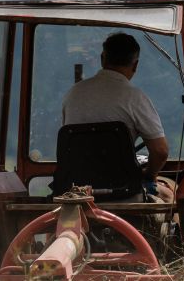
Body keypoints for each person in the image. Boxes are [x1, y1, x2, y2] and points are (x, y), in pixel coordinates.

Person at [62, 32, 172, 201]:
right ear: (135, 65)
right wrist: (149, 175)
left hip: (78, 193)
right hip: (125, 193)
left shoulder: (73, 94)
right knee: (169, 196)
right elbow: (160, 151)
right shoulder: (134, 98)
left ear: (102, 59)